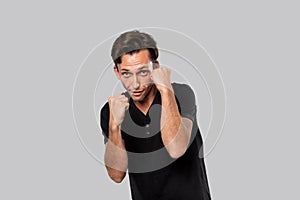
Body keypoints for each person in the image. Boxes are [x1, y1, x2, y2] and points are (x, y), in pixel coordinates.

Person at [100, 30, 211, 200]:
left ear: (155, 67)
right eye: (126, 73)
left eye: (143, 72)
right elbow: (116, 175)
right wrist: (114, 126)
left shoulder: (181, 94)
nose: (135, 84)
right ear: (117, 71)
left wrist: (165, 89)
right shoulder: (111, 110)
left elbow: (176, 148)